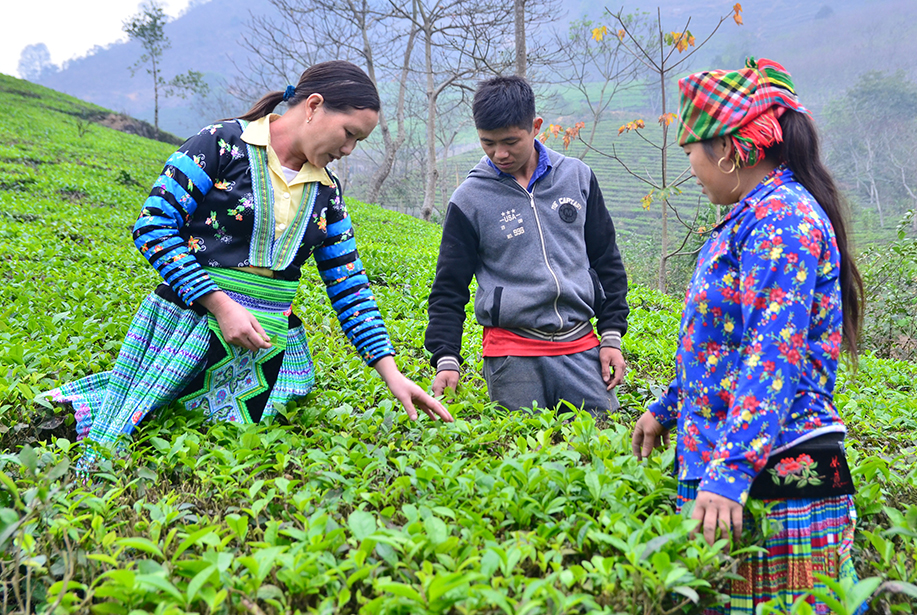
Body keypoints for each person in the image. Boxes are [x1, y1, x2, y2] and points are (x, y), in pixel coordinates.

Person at [43, 61, 452, 468]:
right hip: (187, 329)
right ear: (313, 105)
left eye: (357, 142)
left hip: (264, 349)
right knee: (142, 439)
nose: (348, 150)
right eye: (349, 134)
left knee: (225, 459)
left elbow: (350, 286)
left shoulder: (328, 191)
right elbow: (153, 226)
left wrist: (391, 373)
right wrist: (220, 305)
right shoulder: (220, 145)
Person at [630, 58, 866, 615]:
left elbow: (771, 354)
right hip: (735, 467)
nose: (690, 166)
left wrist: (731, 471)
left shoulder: (782, 219)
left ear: (732, 151)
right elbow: (723, 345)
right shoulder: (752, 216)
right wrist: (670, 406)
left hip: (774, 475)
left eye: (692, 150)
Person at [424, 76, 629, 417]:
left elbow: (606, 260)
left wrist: (611, 336)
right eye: (487, 143)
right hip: (511, 355)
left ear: (535, 127)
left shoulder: (577, 177)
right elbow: (449, 287)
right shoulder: (469, 199)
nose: (499, 154)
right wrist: (446, 357)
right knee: (523, 453)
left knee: (601, 441)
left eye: (510, 142)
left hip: (581, 346)